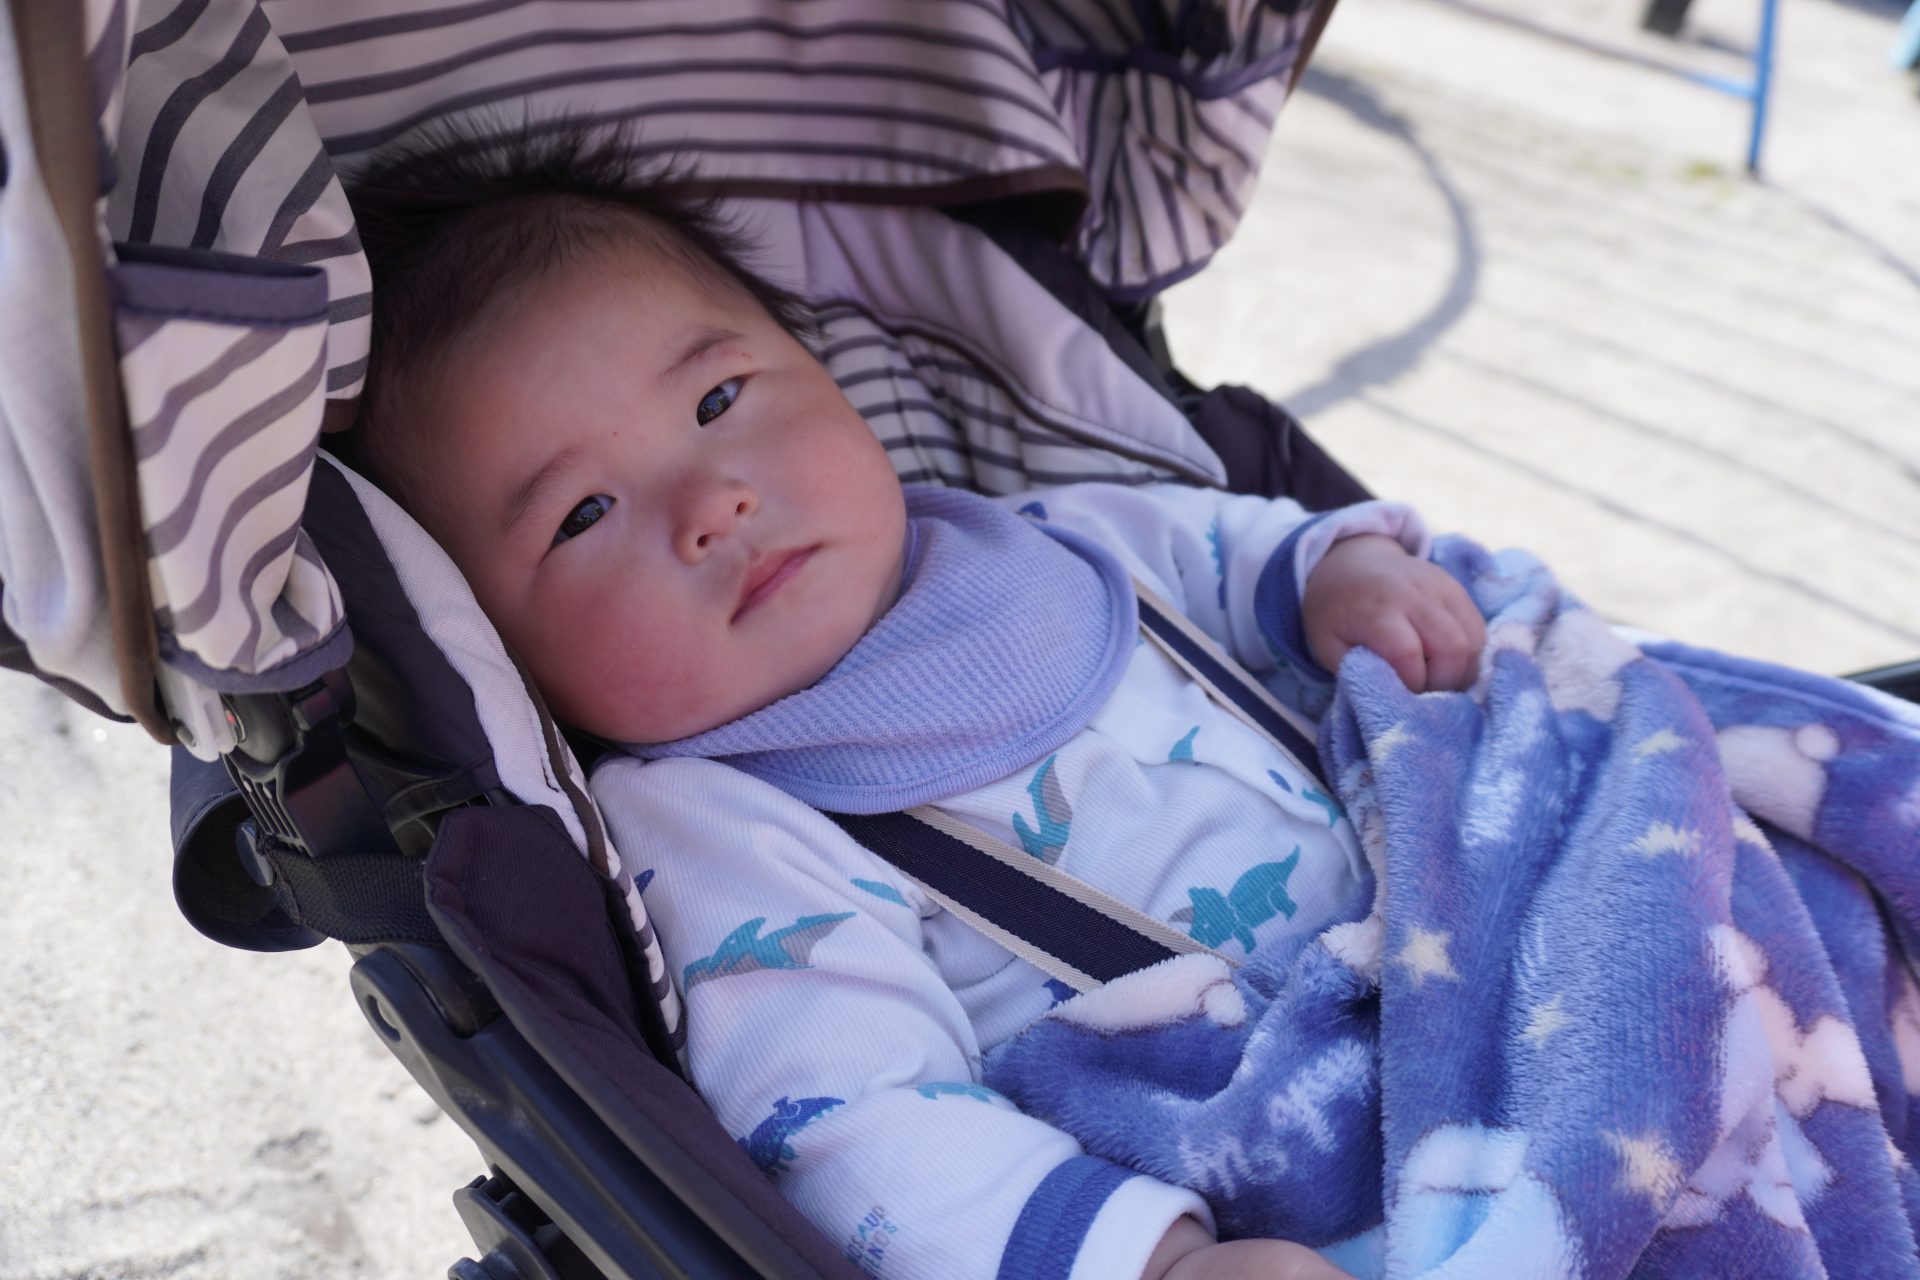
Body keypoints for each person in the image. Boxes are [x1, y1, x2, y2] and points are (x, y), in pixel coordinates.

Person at [346, 121, 1485, 1280]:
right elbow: (855, 1120)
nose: (712, 503)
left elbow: (1237, 552)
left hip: (1468, 965)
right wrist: (1157, 1261)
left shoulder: (1059, 536)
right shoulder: (715, 823)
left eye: (719, 397)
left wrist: (1341, 572)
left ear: (828, 373)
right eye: (583, 513)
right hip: (1285, 1191)